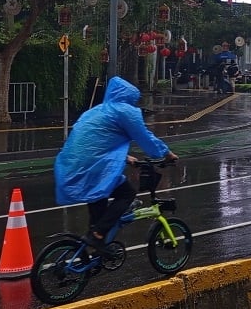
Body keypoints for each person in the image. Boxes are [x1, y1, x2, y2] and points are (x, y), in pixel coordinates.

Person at [54, 77, 178, 254]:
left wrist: (125, 157)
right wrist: (167, 154)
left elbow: (97, 140)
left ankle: (96, 245)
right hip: (94, 166)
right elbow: (145, 137)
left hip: (73, 164)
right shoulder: (125, 111)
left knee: (98, 196)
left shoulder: (96, 111)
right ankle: (97, 235)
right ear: (130, 97)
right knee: (127, 193)